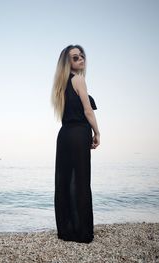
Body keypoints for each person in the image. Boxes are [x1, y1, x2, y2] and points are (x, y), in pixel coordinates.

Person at [51, 44, 100, 243]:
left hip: (64, 136)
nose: (80, 59)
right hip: (79, 134)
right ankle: (82, 232)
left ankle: (66, 230)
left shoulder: (61, 85)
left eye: (82, 56)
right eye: (75, 57)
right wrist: (97, 132)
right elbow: (88, 110)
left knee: (64, 182)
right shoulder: (79, 80)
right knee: (80, 181)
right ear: (67, 63)